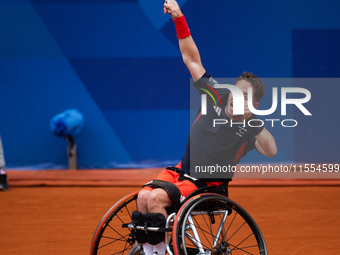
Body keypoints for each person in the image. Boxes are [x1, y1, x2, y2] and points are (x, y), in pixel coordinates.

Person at [131, 1, 277, 254]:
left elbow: (271, 150)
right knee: (142, 197)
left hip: (207, 185)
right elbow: (191, 59)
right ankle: (152, 251)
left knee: (154, 199)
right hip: (180, 172)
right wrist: (178, 17)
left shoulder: (250, 128)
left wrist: (252, 120)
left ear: (254, 103)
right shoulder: (216, 95)